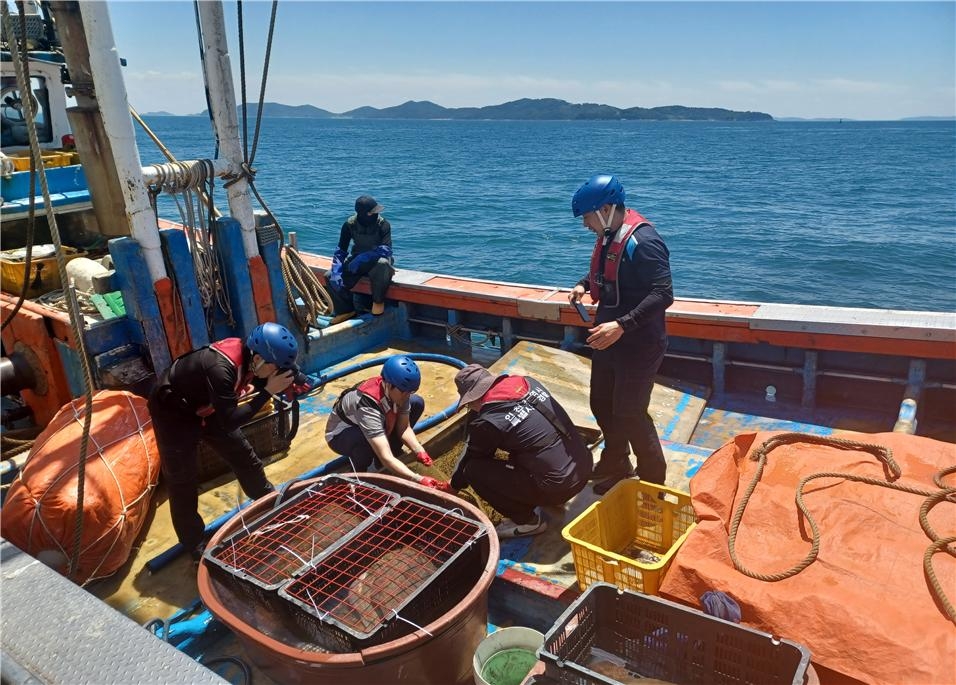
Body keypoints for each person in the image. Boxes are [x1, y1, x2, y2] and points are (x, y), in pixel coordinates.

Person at [148, 322, 298, 557]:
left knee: (243, 456)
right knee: (182, 481)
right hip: (173, 414)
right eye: (276, 368)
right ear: (260, 359)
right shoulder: (221, 369)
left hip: (207, 406)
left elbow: (275, 372)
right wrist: (269, 391)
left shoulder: (254, 358)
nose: (276, 372)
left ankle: (267, 501)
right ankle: (194, 543)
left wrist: (294, 379)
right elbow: (230, 421)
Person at [568, 174, 674, 496]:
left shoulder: (645, 242)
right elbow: (604, 268)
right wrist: (583, 285)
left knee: (630, 413)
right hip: (608, 336)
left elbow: (663, 293)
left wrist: (622, 325)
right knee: (601, 403)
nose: (585, 224)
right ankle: (617, 462)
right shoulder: (609, 233)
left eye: (587, 217)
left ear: (606, 209)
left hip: (639, 343)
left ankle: (654, 482)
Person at [449, 364, 592, 538]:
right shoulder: (528, 382)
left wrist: (454, 485)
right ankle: (546, 489)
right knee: (531, 442)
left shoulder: (487, 422)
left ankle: (528, 522)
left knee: (473, 471)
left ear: (473, 399)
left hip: (559, 488)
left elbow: (473, 456)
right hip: (584, 465)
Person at [325, 354, 449, 490]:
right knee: (366, 443)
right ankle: (360, 474)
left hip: (376, 423)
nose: (407, 396)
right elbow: (386, 457)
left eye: (410, 391)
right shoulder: (367, 405)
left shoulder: (401, 390)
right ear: (389, 385)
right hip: (342, 436)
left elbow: (404, 428)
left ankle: (393, 452)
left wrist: (419, 451)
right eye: (404, 392)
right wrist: (418, 479)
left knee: (416, 402)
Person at [326, 195, 395, 320]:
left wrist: (364, 257)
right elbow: (341, 250)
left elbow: (386, 250)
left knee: (383, 264)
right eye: (372, 212)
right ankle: (346, 310)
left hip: (377, 261)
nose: (376, 214)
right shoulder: (349, 225)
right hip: (356, 261)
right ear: (364, 214)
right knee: (329, 276)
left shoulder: (383, 224)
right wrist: (336, 269)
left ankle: (378, 302)